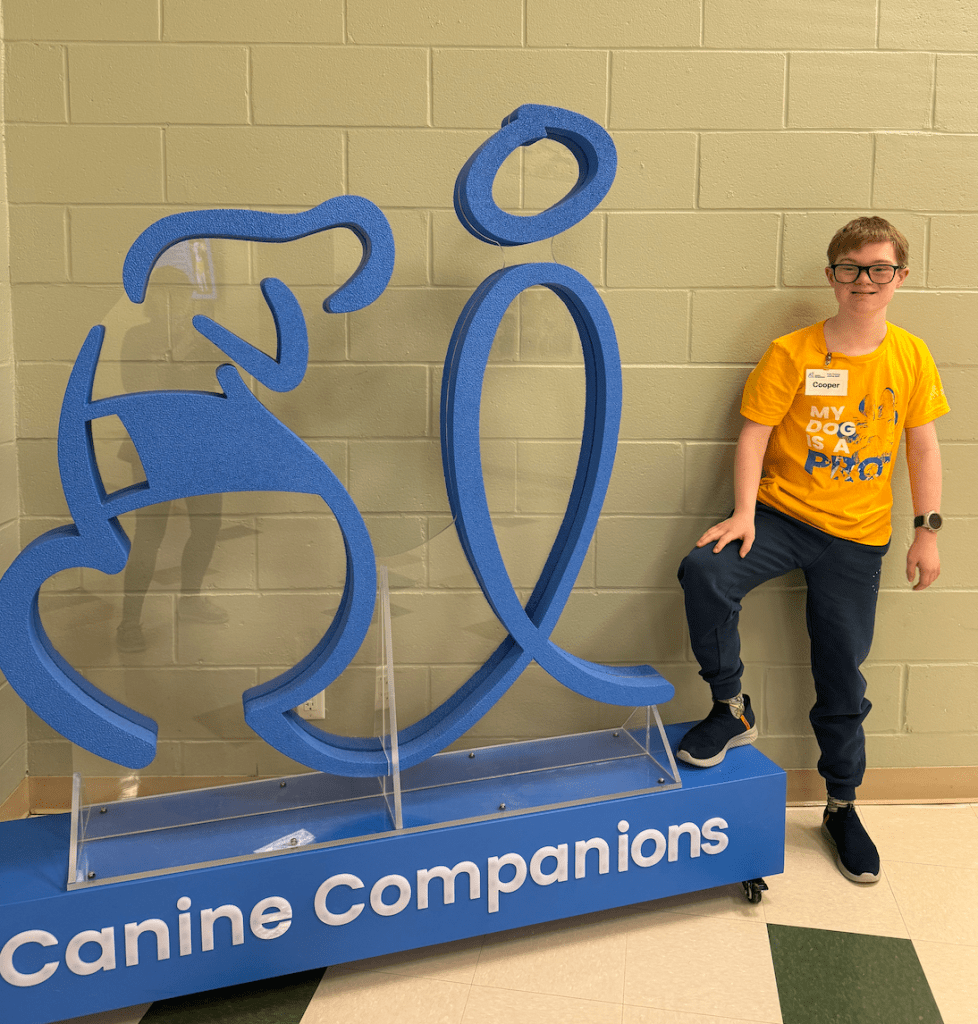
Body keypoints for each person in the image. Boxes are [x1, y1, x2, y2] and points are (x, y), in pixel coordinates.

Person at [675, 217, 949, 884]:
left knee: (840, 673)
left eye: (879, 268)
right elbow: (755, 434)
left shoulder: (911, 356)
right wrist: (744, 512)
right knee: (704, 569)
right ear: (832, 276)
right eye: (851, 267)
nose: (864, 280)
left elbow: (922, 446)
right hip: (783, 517)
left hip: (858, 538)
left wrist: (927, 529)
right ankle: (730, 708)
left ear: (900, 277)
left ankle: (841, 805)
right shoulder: (792, 352)